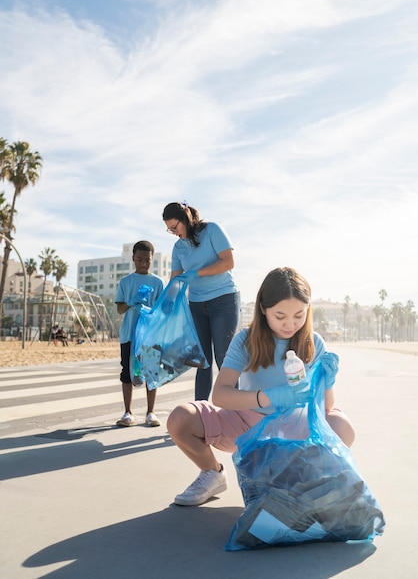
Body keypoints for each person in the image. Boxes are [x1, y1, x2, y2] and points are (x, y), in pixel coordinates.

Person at [167, 266, 355, 506]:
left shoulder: (314, 342)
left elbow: (326, 408)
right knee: (181, 419)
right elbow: (220, 395)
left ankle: (306, 479)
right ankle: (212, 473)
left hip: (295, 429)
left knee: (342, 426)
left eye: (299, 315)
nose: (290, 324)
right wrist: (269, 396)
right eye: (280, 316)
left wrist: (328, 382)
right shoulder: (246, 340)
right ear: (264, 309)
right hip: (247, 427)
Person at [162, 202, 240, 400]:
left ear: (185, 218)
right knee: (202, 361)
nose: (173, 232)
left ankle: (235, 413)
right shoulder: (178, 247)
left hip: (223, 300)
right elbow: (176, 279)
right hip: (196, 306)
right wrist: (164, 304)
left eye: (175, 227)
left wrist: (196, 273)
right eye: (169, 229)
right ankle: (201, 413)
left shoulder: (212, 230)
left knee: (224, 359)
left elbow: (228, 262)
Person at [115, 240, 165, 427]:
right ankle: (128, 412)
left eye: (147, 260)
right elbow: (120, 309)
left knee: (151, 372)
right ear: (133, 258)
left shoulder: (158, 282)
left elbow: (163, 310)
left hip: (151, 334)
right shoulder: (126, 282)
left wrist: (151, 310)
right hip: (129, 334)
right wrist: (132, 302)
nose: (143, 264)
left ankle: (150, 412)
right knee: (127, 372)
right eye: (139, 259)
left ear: (152, 259)